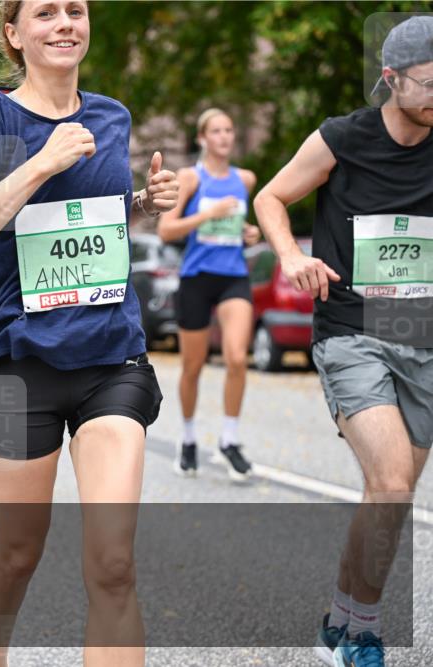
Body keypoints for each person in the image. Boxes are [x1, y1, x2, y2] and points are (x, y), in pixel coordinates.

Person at [0, 2, 178, 665]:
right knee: (18, 552)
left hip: (109, 358)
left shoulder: (111, 116)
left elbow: (76, 224)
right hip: (18, 366)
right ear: (14, 34)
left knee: (115, 561)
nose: (65, 22)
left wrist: (139, 206)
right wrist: (39, 161)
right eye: (45, 12)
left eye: (76, 9)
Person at [253, 16, 432, 667]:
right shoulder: (343, 138)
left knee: (390, 497)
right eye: (431, 83)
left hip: (421, 334)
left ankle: (340, 617)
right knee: (387, 482)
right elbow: (271, 197)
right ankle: (364, 632)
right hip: (351, 330)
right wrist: (288, 256)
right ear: (391, 79)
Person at [157, 108, 261, 481]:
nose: (224, 137)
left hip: (233, 276)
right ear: (202, 138)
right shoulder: (190, 177)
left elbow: (238, 225)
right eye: (216, 131)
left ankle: (229, 440)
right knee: (193, 366)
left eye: (229, 130)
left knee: (236, 358)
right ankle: (187, 439)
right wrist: (208, 213)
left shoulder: (244, 179)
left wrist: (250, 233)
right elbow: (167, 231)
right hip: (196, 277)